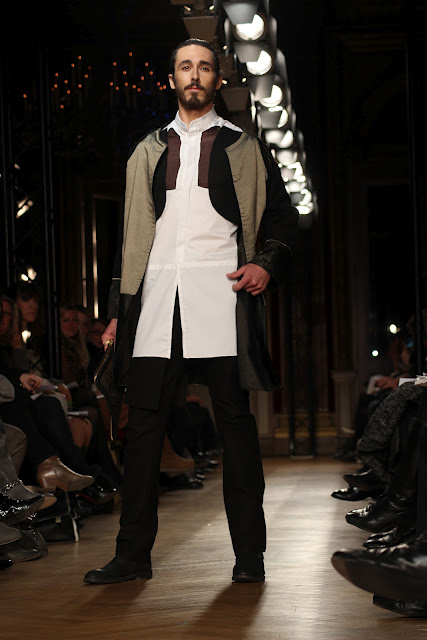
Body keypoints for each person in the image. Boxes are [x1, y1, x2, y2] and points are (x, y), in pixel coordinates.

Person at [84, 38, 299, 586]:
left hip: (220, 296)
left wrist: (266, 265)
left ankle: (249, 556)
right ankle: (132, 555)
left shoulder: (244, 147)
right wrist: (118, 311)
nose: (195, 75)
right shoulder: (146, 150)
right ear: (173, 79)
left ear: (217, 79)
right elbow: (131, 238)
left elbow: (281, 217)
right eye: (186, 67)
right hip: (156, 299)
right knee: (143, 428)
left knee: (235, 426)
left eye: (204, 67)